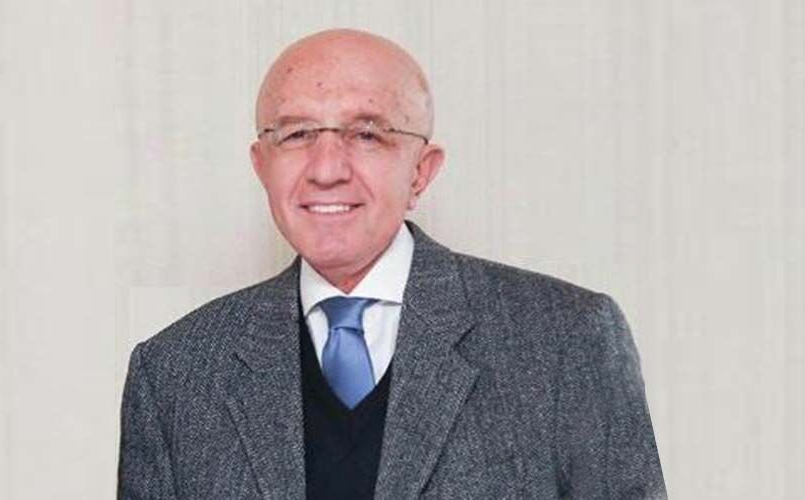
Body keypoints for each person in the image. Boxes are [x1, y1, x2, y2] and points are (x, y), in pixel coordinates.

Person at [118, 29, 667, 499]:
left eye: (366, 134)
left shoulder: (564, 339)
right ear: (262, 166)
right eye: (297, 134)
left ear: (421, 171)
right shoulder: (174, 374)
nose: (326, 169)